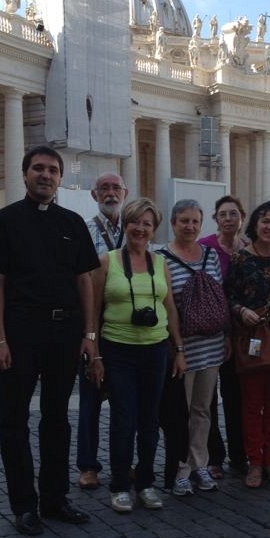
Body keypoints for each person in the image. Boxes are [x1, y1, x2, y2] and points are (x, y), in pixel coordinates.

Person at [0, 145, 100, 536]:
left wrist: (90, 335)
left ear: (61, 178)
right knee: (14, 421)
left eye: (53, 170)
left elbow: (85, 281)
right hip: (21, 333)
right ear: (26, 173)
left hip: (65, 334)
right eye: (38, 168)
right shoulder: (4, 221)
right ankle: (24, 505)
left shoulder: (74, 222)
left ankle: (55, 499)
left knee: (57, 419)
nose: (45, 175)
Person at [89, 198, 185, 513]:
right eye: (135, 222)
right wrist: (94, 350)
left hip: (155, 350)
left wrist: (179, 348)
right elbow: (94, 308)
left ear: (152, 229)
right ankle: (119, 485)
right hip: (118, 349)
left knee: (149, 420)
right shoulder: (107, 261)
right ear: (126, 225)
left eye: (147, 224)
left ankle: (145, 482)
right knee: (123, 419)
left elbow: (169, 307)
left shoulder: (160, 264)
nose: (140, 229)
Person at [159, 199, 230, 497]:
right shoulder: (159, 258)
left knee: (203, 409)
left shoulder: (211, 255)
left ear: (202, 225)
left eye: (194, 222)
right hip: (182, 349)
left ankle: (199, 462)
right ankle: (180, 468)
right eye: (184, 221)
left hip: (211, 345)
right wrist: (177, 349)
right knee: (180, 412)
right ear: (173, 224)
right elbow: (166, 305)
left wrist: (226, 335)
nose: (189, 226)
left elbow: (220, 297)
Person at [225, 201, 270, 488]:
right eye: (266, 221)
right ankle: (254, 462)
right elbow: (228, 297)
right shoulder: (240, 258)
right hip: (251, 340)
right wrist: (242, 311)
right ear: (255, 224)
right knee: (251, 405)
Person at [76, 173, 128, 491]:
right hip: (93, 324)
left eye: (115, 188)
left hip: (126, 328)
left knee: (126, 401)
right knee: (90, 400)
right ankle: (88, 466)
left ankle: (124, 462)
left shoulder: (134, 228)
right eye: (104, 189)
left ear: (125, 193)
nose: (110, 193)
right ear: (94, 195)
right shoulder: (83, 229)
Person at [199, 196, 249, 479]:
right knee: (206, 398)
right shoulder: (205, 247)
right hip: (210, 332)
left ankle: (239, 455)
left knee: (234, 395)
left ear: (241, 217)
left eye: (234, 213)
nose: (229, 218)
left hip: (240, 334)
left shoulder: (247, 249)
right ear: (215, 218)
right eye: (223, 214)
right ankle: (213, 455)